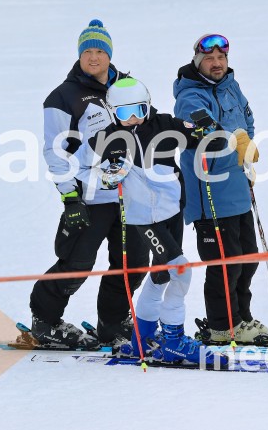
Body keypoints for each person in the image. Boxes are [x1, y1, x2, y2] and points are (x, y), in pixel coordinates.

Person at [86, 77, 227, 366]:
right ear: (112, 112)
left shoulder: (164, 125)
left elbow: (207, 140)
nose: (133, 118)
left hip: (171, 210)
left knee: (162, 273)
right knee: (181, 271)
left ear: (148, 105)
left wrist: (208, 129)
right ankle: (173, 340)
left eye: (139, 109)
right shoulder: (107, 138)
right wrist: (109, 174)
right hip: (143, 218)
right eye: (125, 112)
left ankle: (142, 338)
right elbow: (100, 169)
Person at [28, 19, 147, 349]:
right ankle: (45, 321)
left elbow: (145, 129)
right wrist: (70, 197)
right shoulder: (63, 96)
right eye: (87, 51)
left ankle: (112, 322)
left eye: (100, 51)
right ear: (79, 55)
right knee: (77, 263)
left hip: (129, 195)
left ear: (110, 54)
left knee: (133, 263)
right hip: (90, 196)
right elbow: (55, 151)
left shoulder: (127, 87)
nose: (94, 57)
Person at [173, 33, 268, 344]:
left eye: (221, 58)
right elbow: (209, 133)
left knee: (247, 259)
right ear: (198, 62)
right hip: (210, 192)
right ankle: (222, 325)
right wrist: (237, 141)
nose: (216, 63)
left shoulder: (231, 86)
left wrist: (246, 150)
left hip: (237, 188)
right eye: (209, 59)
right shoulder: (189, 97)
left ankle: (241, 319)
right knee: (224, 264)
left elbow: (247, 119)